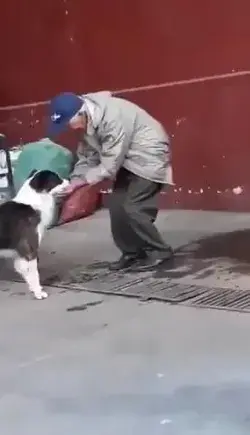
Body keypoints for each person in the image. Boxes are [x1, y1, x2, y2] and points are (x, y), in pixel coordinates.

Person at [47, 91, 174, 271]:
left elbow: (109, 166)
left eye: (68, 122)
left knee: (133, 207)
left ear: (80, 113)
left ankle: (160, 252)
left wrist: (81, 183)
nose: (68, 127)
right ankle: (132, 253)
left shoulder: (112, 118)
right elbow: (87, 158)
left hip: (148, 154)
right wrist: (73, 183)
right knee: (116, 206)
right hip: (126, 157)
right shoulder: (86, 122)